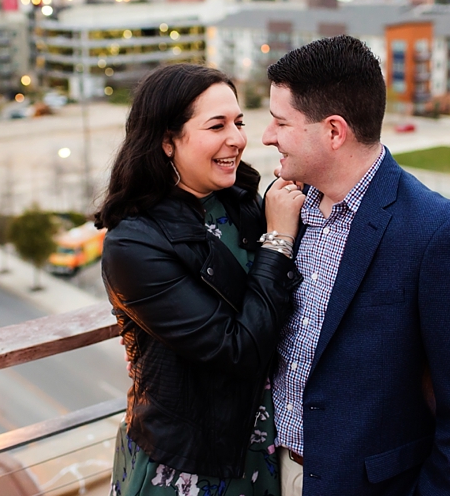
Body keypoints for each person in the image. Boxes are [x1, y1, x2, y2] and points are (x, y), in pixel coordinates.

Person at [261, 36, 450, 496]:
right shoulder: (286, 206)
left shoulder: (437, 232)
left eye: (281, 122)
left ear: (334, 132)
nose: (267, 136)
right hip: (269, 472)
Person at [98, 63, 306, 495]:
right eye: (217, 126)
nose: (238, 138)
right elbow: (237, 349)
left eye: (238, 122)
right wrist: (278, 241)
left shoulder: (240, 203)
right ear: (167, 141)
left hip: (262, 447)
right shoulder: (134, 244)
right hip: (190, 465)